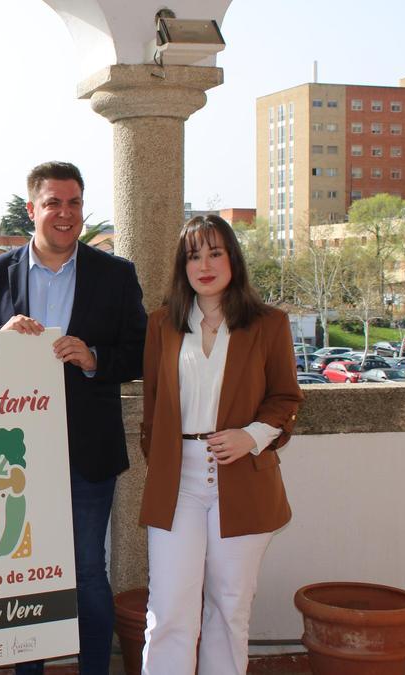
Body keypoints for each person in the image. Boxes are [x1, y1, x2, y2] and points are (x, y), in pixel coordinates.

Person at [0, 161, 147, 674]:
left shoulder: (116, 274)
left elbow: (141, 352)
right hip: (10, 456)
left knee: (87, 571)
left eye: (73, 203)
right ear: (32, 209)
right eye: (53, 203)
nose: (64, 214)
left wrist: (93, 358)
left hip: (87, 452)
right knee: (24, 576)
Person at [139, 214, 304, 675]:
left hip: (243, 476)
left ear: (233, 258)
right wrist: (166, 460)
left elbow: (286, 397)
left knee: (229, 608)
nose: (205, 265)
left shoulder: (269, 324)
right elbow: (153, 405)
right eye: (194, 256)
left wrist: (252, 436)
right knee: (169, 608)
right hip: (178, 482)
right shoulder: (162, 324)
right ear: (182, 266)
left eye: (215, 253)